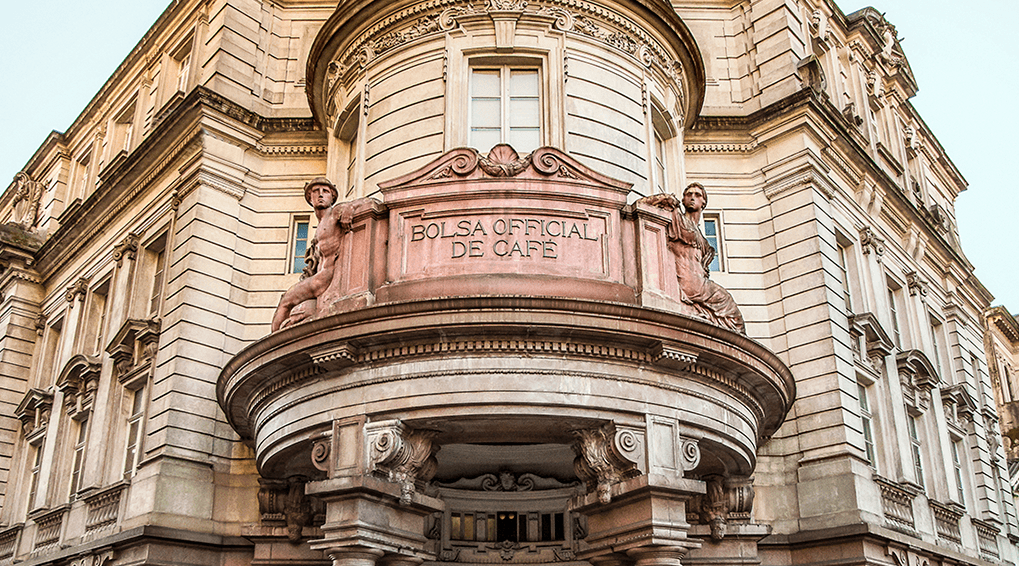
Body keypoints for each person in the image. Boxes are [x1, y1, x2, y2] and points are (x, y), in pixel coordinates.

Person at [640, 183, 746, 334]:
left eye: (697, 195)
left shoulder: (701, 237)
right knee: (733, 314)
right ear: (682, 200)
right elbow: (642, 204)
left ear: (704, 202)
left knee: (734, 320)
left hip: (699, 282)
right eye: (688, 194)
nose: (692, 197)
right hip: (691, 283)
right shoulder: (677, 218)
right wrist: (663, 198)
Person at [271, 177, 373, 331]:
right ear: (309, 198)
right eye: (315, 192)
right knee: (286, 303)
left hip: (325, 277)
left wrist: (349, 209)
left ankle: (274, 343)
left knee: (286, 301)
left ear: (332, 197)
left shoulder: (335, 213)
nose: (320, 195)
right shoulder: (321, 224)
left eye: (325, 191)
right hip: (319, 276)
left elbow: (367, 201)